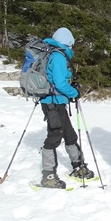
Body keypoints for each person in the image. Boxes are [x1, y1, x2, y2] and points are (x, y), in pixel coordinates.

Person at [38, 27, 94, 188]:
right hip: (52, 103)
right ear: (68, 43)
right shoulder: (58, 56)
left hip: (56, 102)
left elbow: (59, 76)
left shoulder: (54, 54)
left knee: (69, 134)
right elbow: (60, 83)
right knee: (55, 135)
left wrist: (70, 80)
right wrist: (74, 92)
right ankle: (48, 175)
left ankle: (78, 166)